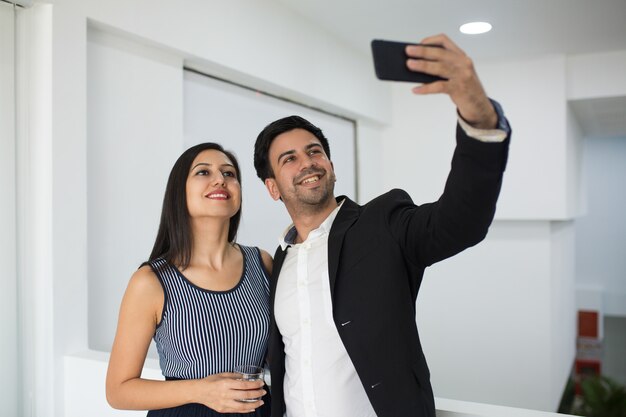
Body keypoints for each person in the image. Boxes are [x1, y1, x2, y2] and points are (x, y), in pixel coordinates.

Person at [252, 34, 512, 417]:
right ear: (273, 187)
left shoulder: (383, 223)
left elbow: (462, 221)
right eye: (289, 158)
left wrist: (479, 117)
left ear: (331, 166)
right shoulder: (277, 262)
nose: (307, 162)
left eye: (315, 151)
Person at [106, 142, 272, 416]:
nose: (220, 179)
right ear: (179, 192)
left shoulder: (262, 263)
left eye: (229, 174)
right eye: (203, 172)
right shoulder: (150, 282)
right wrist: (202, 391)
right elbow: (118, 391)